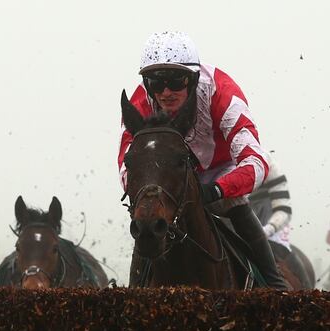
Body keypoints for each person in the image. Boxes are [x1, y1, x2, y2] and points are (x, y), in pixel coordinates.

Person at [119, 31, 288, 289]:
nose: (165, 92)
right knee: (147, 219)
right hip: (168, 178)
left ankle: (276, 288)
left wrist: (217, 190)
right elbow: (127, 162)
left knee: (237, 205)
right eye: (156, 82)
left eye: (176, 81)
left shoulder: (223, 92)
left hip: (220, 173)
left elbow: (256, 161)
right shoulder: (140, 101)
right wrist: (144, 197)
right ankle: (132, 296)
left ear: (194, 78)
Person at [248, 153, 310, 286]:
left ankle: (304, 289)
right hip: (242, 219)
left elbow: (283, 209)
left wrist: (266, 230)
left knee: (276, 249)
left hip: (271, 225)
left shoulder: (269, 164)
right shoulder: (226, 163)